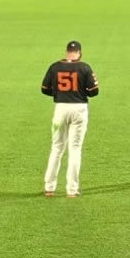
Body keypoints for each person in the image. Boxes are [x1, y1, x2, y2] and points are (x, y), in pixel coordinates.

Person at [40, 38, 99, 198]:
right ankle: (72, 190)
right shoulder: (84, 67)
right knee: (75, 149)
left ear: (66, 52)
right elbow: (94, 91)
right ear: (79, 53)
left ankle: (49, 188)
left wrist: (59, 94)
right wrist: (80, 92)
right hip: (79, 110)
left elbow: (44, 89)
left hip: (60, 110)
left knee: (57, 148)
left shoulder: (55, 67)